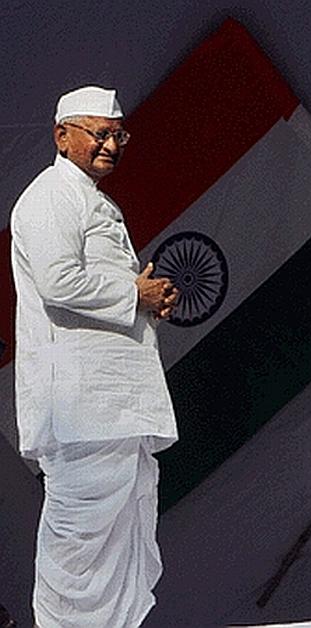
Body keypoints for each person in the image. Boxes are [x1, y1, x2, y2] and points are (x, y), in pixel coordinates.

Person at [10, 86, 179, 628]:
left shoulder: (92, 198)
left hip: (114, 402)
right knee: (80, 541)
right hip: (81, 405)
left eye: (118, 133)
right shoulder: (51, 196)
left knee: (128, 527)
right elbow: (58, 283)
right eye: (99, 133)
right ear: (62, 136)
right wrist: (135, 295)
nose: (111, 143)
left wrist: (146, 302)